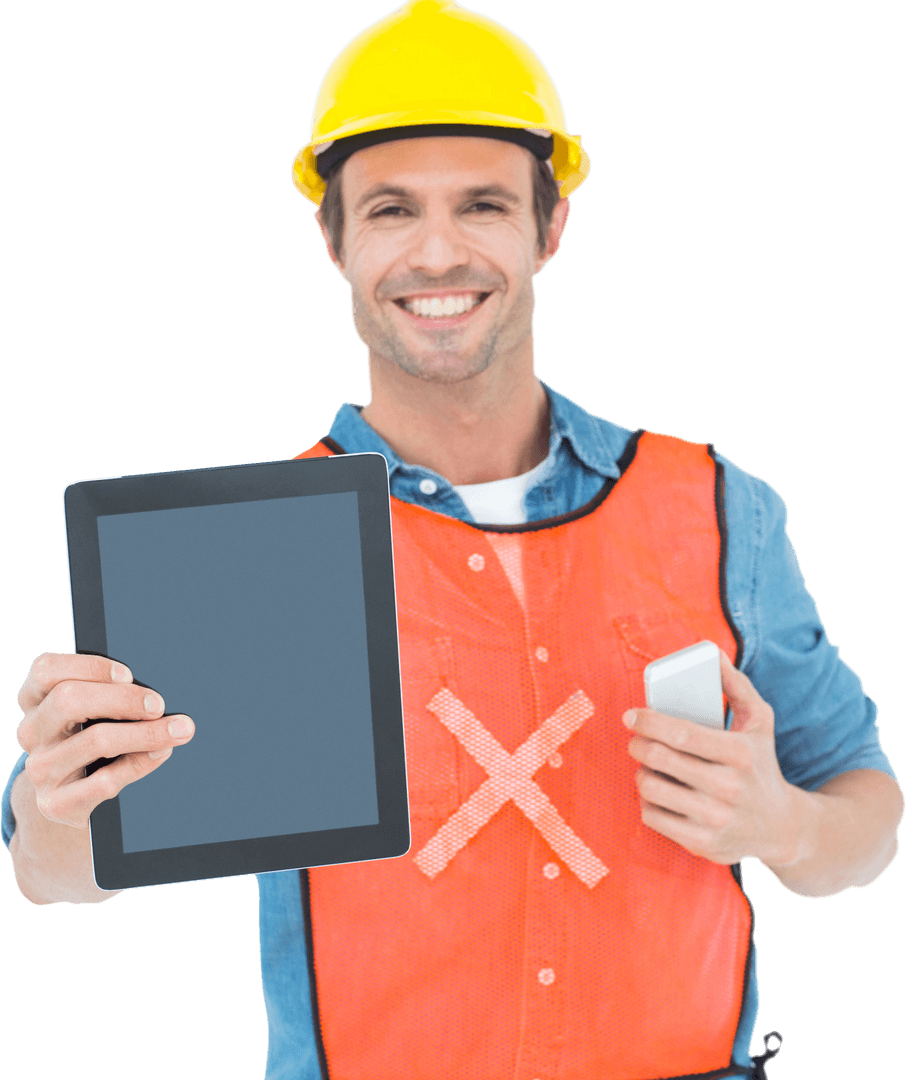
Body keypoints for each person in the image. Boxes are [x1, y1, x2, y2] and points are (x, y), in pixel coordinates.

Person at [3, 1, 903, 1077]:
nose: (438, 252)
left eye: (483, 204)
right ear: (335, 240)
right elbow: (55, 874)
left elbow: (864, 811)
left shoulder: (714, 508)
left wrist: (781, 825)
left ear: (549, 227)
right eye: (392, 210)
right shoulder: (248, 555)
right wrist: (58, 799)